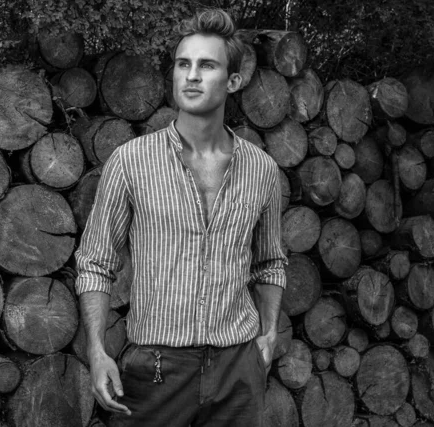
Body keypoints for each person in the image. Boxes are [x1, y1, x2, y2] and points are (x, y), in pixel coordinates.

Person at [74, 8, 287, 427]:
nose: (191, 75)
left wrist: (269, 333)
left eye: (206, 65)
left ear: (234, 81)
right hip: (155, 369)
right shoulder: (131, 161)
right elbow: (95, 263)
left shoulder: (262, 169)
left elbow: (270, 262)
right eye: (183, 64)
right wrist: (97, 351)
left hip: (238, 367)